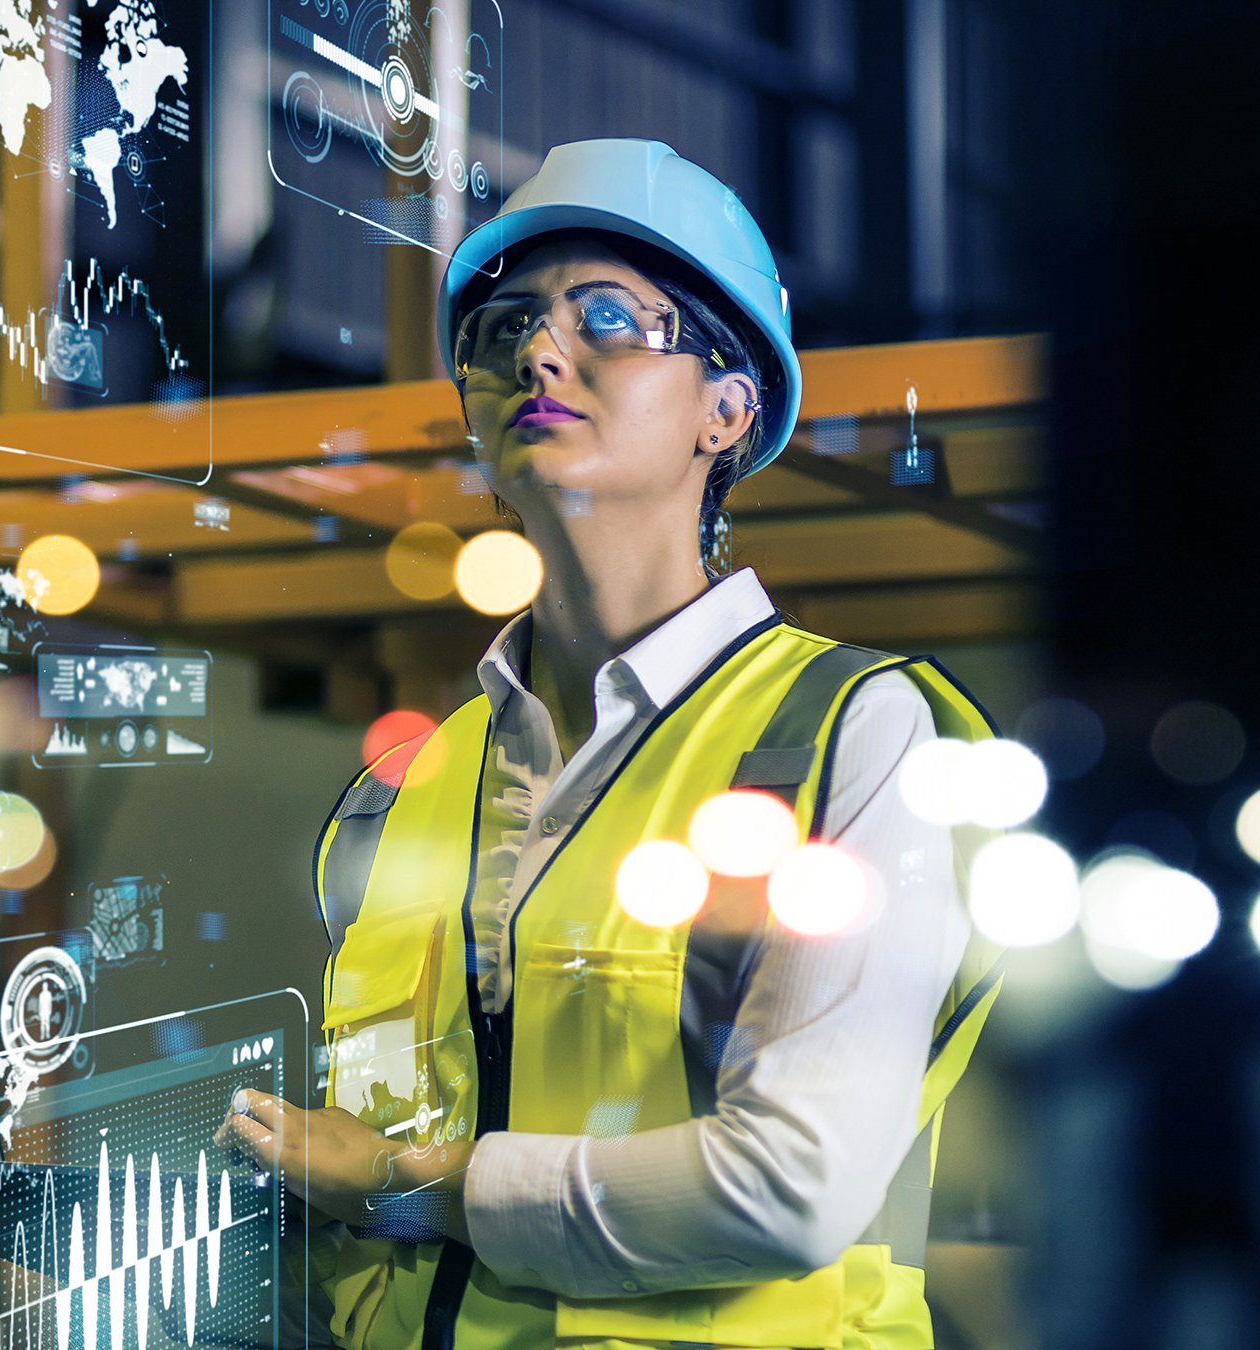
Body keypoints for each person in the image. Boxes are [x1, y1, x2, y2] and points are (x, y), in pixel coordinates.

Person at [216, 139, 1006, 1349]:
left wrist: (402, 1182)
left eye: (608, 320)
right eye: (505, 329)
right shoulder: (410, 788)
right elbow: (369, 1167)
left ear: (728, 408)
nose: (538, 351)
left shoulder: (852, 737)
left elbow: (791, 1186)